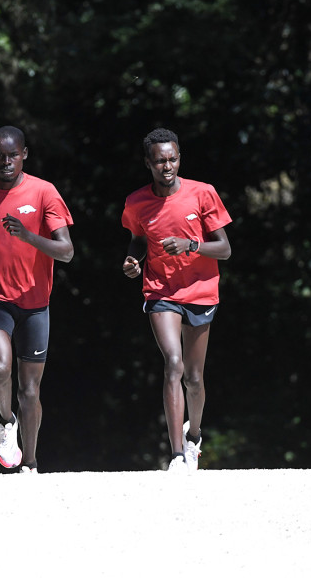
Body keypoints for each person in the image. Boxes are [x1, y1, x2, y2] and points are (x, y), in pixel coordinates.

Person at [0, 126, 74, 475]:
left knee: (30, 390)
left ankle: (32, 462)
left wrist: (27, 235)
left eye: (13, 155)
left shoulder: (44, 192)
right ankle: (6, 423)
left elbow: (66, 251)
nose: (6, 162)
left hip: (35, 302)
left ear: (25, 154)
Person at [121, 128, 231, 474]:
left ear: (179, 159)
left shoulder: (203, 194)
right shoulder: (137, 202)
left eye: (172, 159)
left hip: (200, 290)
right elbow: (137, 240)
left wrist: (190, 246)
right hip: (161, 290)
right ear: (148, 164)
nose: (166, 166)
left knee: (194, 377)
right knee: (173, 363)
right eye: (159, 161)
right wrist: (132, 260)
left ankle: (194, 437)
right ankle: (176, 454)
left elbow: (225, 249)